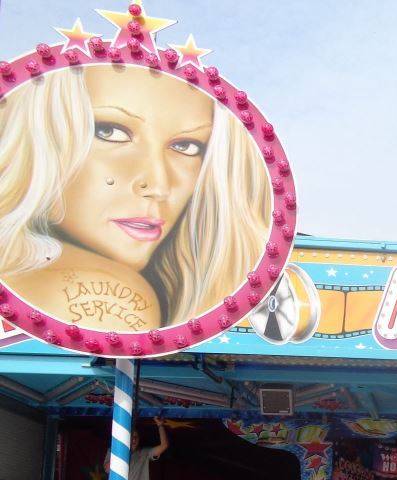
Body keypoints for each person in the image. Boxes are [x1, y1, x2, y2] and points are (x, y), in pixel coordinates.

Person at [0, 65, 271, 331]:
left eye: (186, 146)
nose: (158, 185)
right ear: (36, 137)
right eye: (110, 132)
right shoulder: (112, 294)